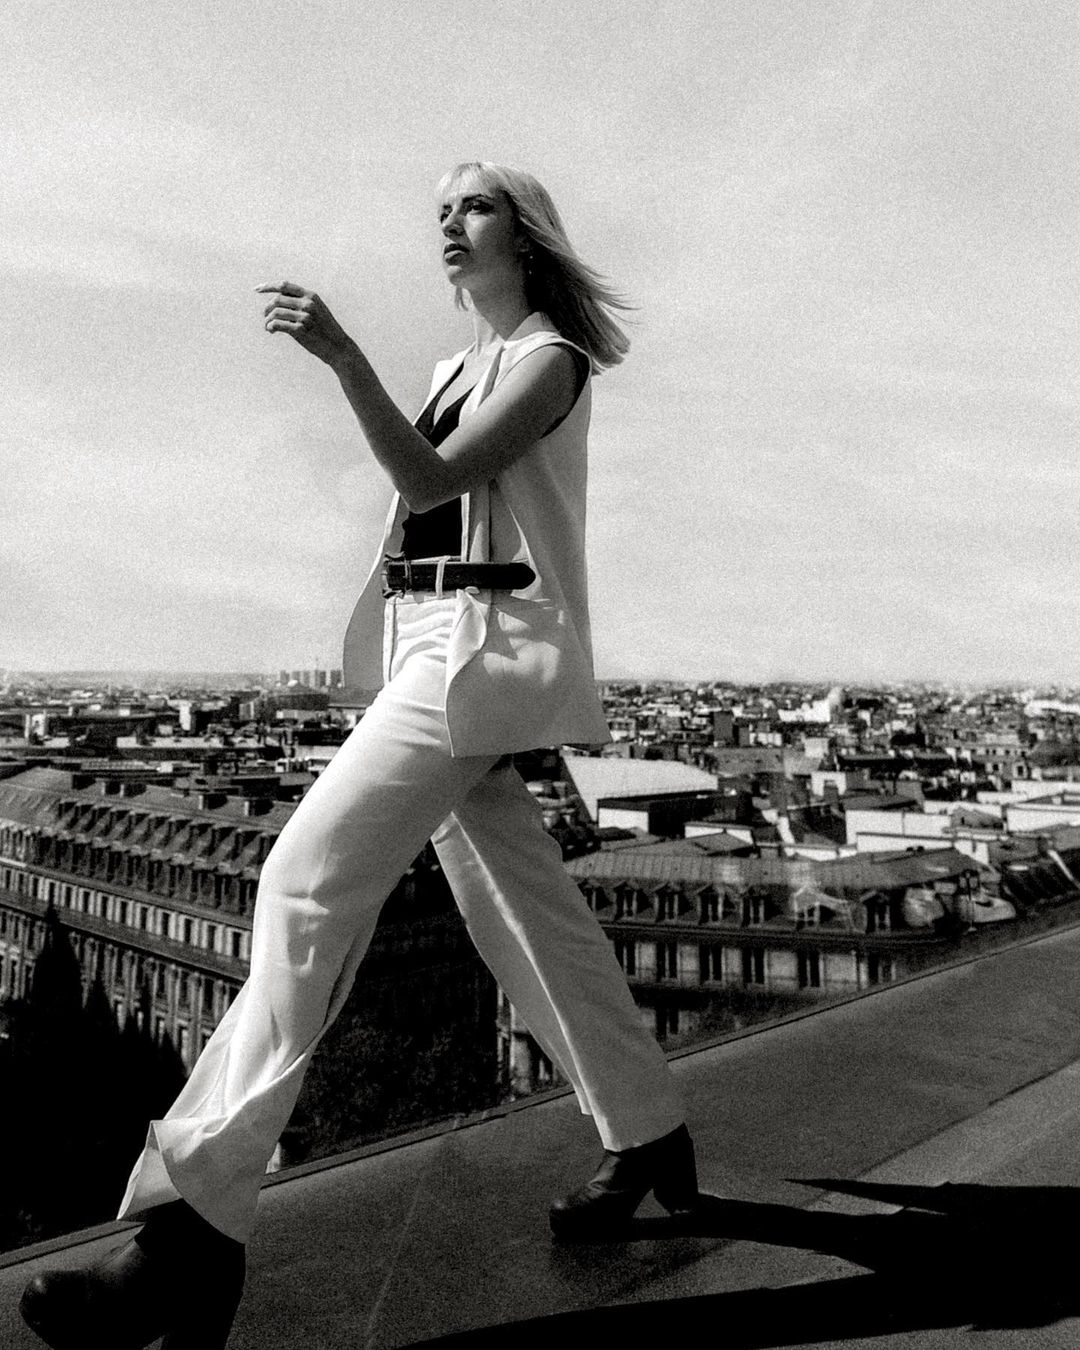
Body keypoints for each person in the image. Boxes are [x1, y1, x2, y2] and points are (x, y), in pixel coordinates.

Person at [20, 161, 700, 1350]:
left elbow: (430, 480)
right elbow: (420, 522)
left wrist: (341, 356)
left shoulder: (549, 361)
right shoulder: (456, 371)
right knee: (519, 906)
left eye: (475, 204)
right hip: (436, 642)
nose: (450, 222)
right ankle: (646, 1128)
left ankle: (192, 1236)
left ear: (527, 235)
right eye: (441, 208)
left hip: (483, 651)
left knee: (302, 880)